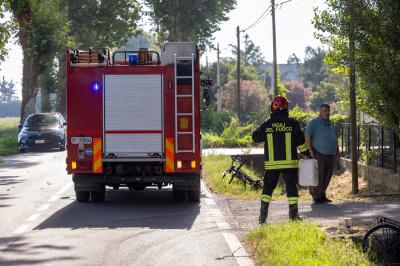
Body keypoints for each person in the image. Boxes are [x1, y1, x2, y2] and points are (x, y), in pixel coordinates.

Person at [252, 95, 310, 224]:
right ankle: (293, 216)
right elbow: (301, 143)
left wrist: (262, 126)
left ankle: (262, 217)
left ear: (273, 107)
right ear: (286, 107)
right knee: (291, 188)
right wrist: (307, 153)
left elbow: (255, 137)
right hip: (290, 164)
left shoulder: (267, 124)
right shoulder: (293, 123)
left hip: (272, 165)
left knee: (267, 189)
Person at [305, 103, 339, 204]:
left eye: (328, 111)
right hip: (319, 153)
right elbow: (307, 135)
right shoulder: (314, 123)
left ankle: (322, 194)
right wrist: (310, 150)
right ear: (320, 112)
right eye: (325, 111)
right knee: (318, 175)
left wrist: (337, 151)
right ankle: (316, 195)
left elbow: (335, 138)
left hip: (331, 154)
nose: (327, 113)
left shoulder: (330, 124)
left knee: (327, 176)